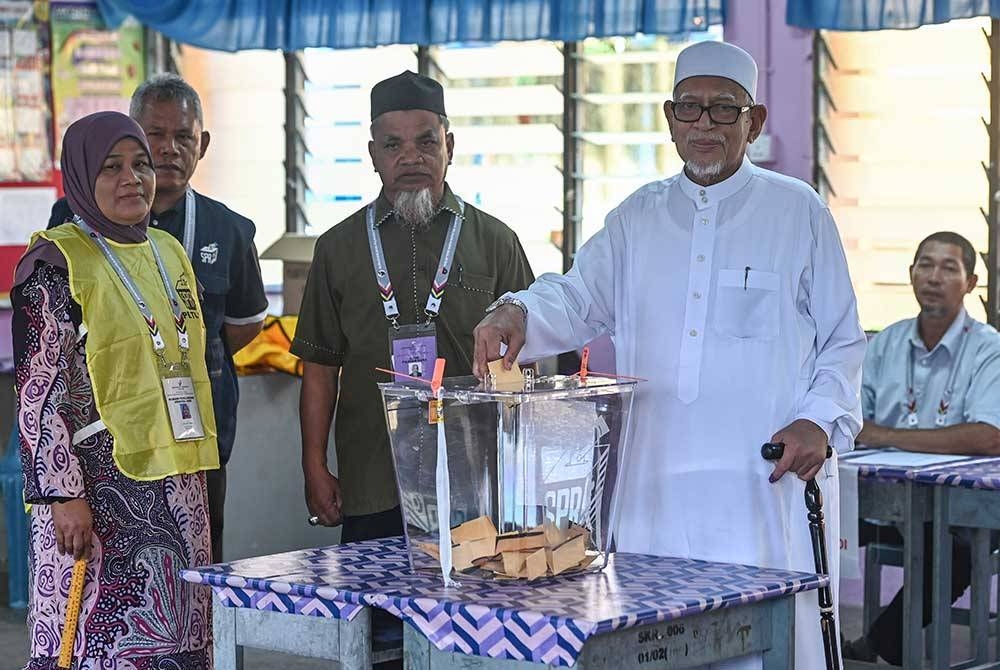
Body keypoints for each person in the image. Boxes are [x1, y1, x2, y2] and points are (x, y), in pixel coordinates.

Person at [472, 41, 865, 670]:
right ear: (669, 117)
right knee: (658, 646)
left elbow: (843, 338)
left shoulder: (798, 212)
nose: (703, 125)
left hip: (760, 480)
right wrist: (518, 311)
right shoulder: (636, 217)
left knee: (766, 646)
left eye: (722, 110)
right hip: (656, 483)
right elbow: (577, 298)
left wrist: (818, 420)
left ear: (753, 122)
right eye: (689, 109)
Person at [291, 70, 535, 542]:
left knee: (474, 609)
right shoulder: (338, 247)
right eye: (392, 145)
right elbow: (319, 368)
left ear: (450, 146)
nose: (410, 158)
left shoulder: (497, 242)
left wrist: (522, 465)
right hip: (373, 476)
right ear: (372, 155)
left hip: (476, 476)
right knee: (378, 612)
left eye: (426, 142)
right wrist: (314, 467)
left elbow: (528, 360)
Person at [13, 111, 217, 668]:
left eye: (141, 165)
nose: (133, 179)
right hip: (97, 492)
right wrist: (62, 496)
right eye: (112, 167)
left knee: (183, 633)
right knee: (99, 641)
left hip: (178, 479)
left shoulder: (167, 251)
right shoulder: (56, 264)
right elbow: (39, 395)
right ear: (80, 176)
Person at [49, 74, 268, 562]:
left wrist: (173, 352)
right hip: (110, 443)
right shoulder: (73, 216)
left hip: (196, 433)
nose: (168, 149)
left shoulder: (229, 228)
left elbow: (244, 325)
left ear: (202, 144)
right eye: (154, 135)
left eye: (183, 136)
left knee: (200, 568)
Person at [843, 232, 1000, 665]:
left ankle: (881, 642)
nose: (934, 277)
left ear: (971, 282)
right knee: (812, 521)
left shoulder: (989, 349)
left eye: (949, 268)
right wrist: (870, 433)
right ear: (910, 274)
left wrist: (884, 435)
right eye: (924, 265)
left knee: (950, 553)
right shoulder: (885, 343)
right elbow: (855, 426)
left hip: (967, 509)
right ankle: (816, 637)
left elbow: (988, 437)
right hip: (891, 504)